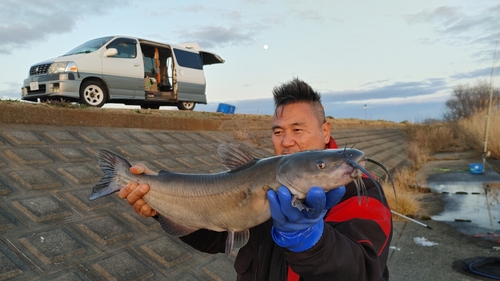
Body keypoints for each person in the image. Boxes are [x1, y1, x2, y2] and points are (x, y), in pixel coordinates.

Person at [119, 78, 393, 281]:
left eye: (298, 129)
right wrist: (160, 201)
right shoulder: (263, 178)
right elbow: (216, 236)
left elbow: (365, 271)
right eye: (278, 132)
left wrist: (312, 241)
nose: (287, 141)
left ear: (325, 131)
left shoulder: (364, 192)